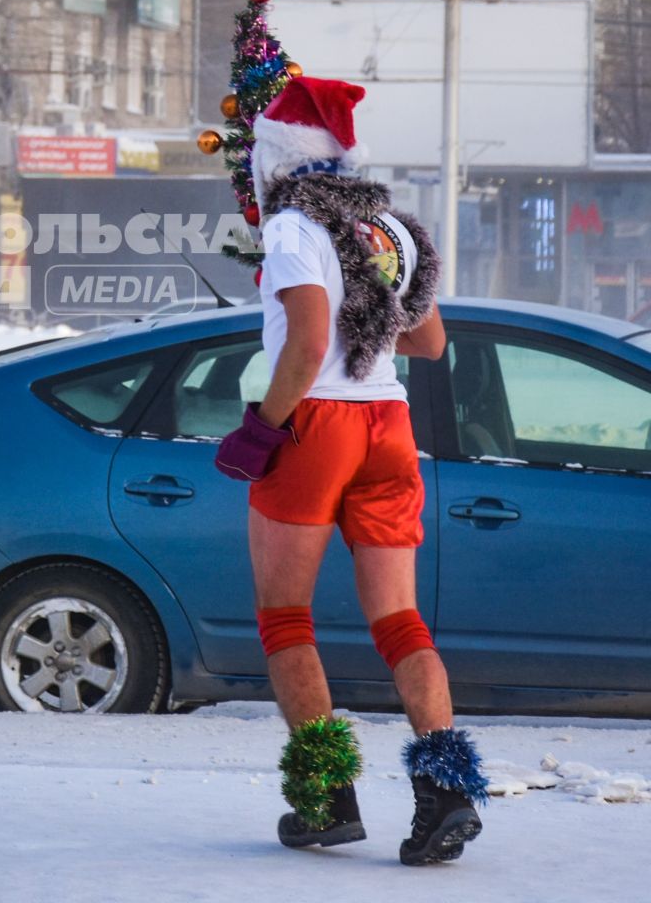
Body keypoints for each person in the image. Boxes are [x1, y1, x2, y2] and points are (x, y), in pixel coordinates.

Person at [214, 75, 488, 866]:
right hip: (387, 424)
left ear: (278, 158)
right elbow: (428, 341)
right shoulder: (387, 225)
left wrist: (263, 427)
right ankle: (446, 793)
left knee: (285, 617)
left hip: (317, 425)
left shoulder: (296, 226)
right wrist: (355, 335)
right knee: (399, 621)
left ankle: (326, 798)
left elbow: (304, 344)